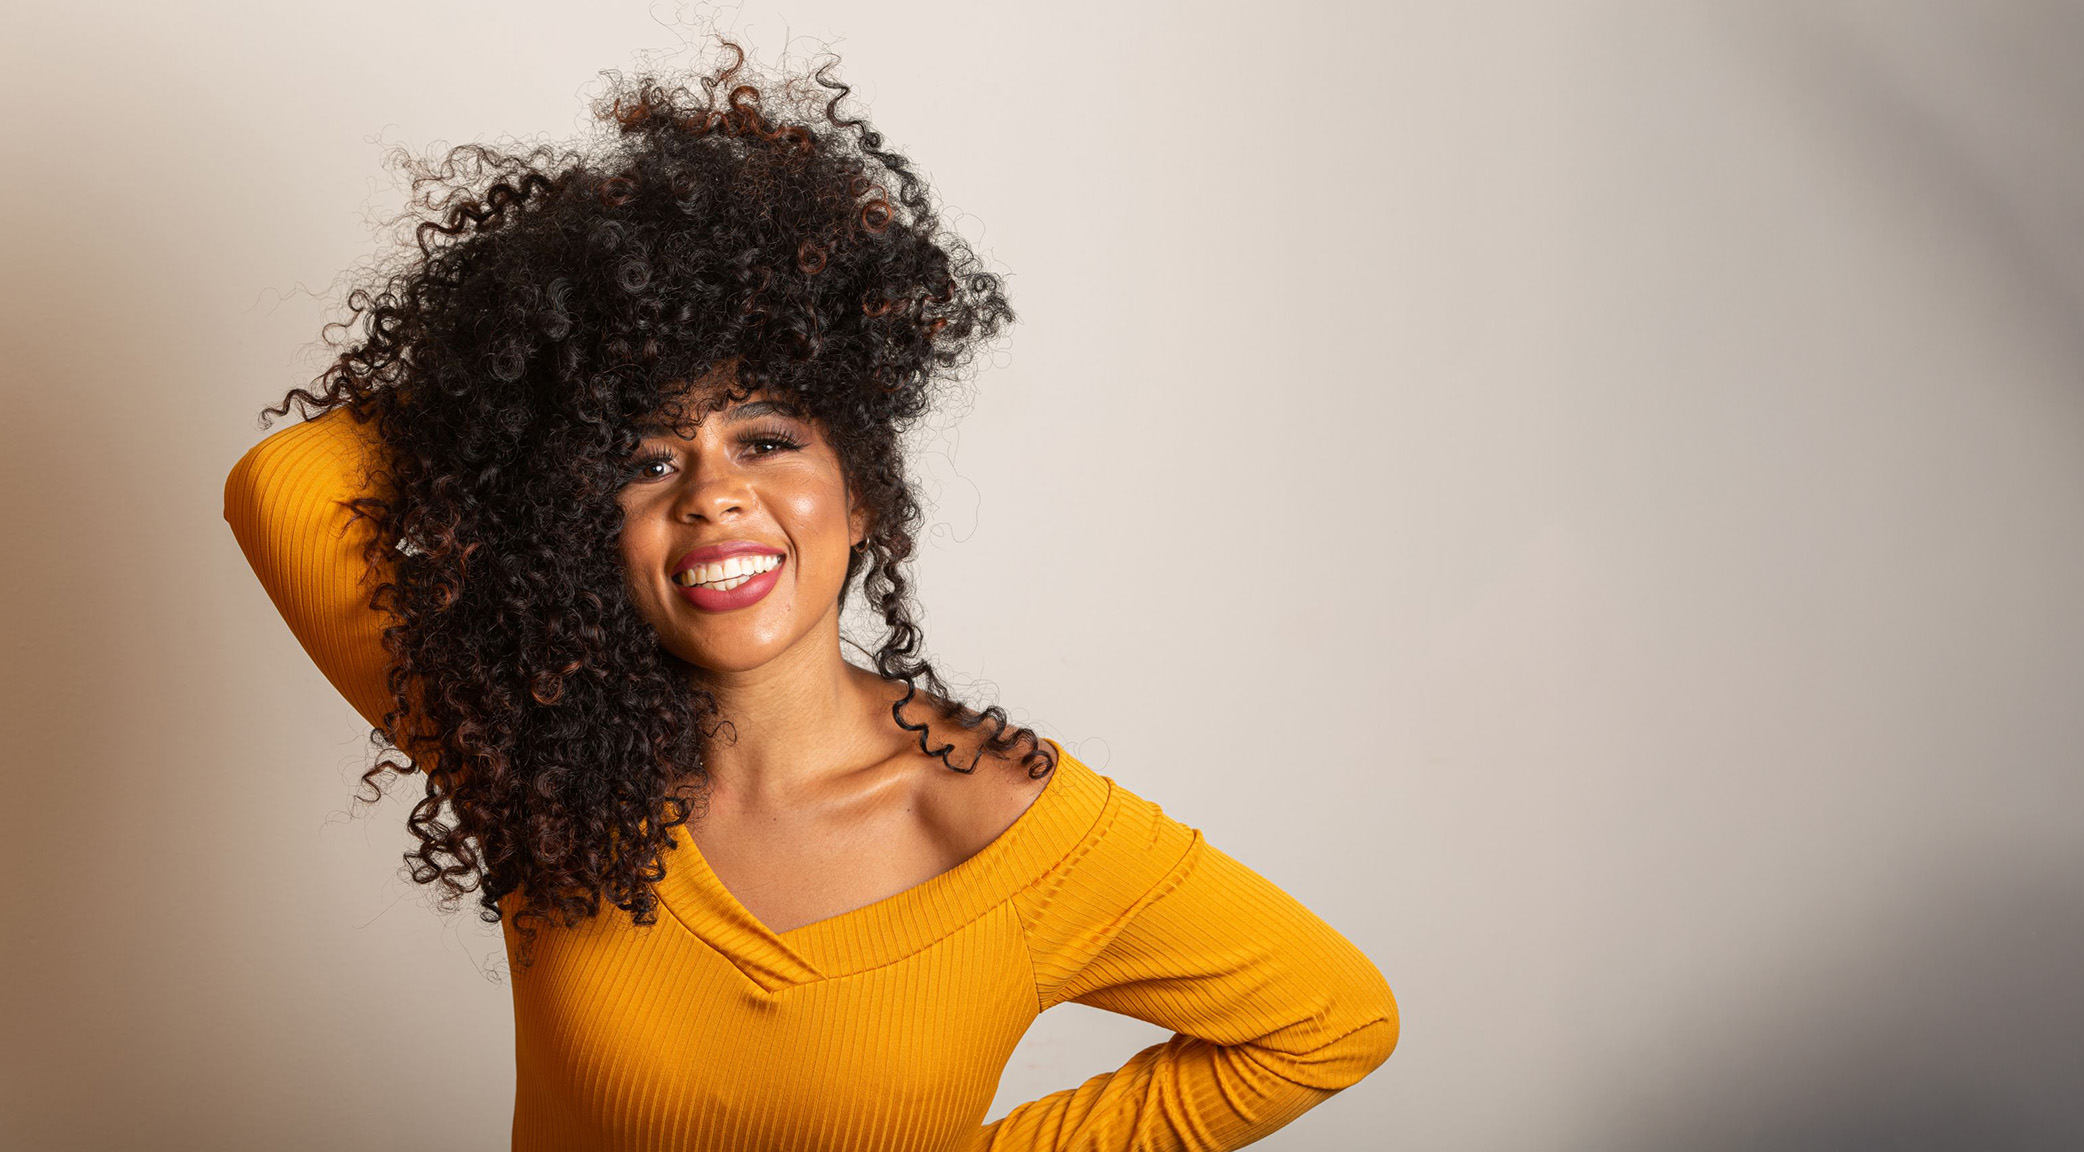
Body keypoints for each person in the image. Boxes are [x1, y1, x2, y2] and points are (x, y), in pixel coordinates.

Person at [221, 39, 1396, 1151]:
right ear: (583, 531)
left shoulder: (995, 821)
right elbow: (285, 483)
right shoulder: (537, 753)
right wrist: (527, 365)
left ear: (864, 495)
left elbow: (1327, 1017)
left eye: (767, 437)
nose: (711, 493)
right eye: (642, 460)